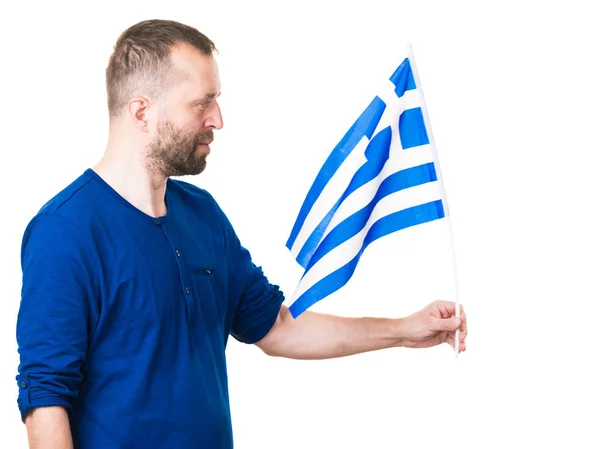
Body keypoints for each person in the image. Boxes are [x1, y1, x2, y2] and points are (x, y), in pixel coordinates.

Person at [15, 19, 467, 449]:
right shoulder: (65, 232)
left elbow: (279, 329)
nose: (217, 119)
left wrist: (405, 330)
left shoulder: (203, 215)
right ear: (141, 112)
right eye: (201, 102)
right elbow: (45, 399)